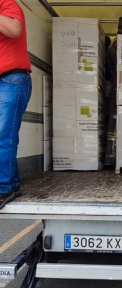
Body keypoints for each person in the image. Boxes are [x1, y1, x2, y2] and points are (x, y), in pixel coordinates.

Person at [0, 0, 32, 209]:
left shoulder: (7, 3)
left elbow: (14, 29)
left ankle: (5, 187)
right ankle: (13, 182)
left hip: (12, 78)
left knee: (4, 134)